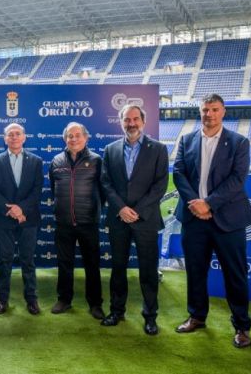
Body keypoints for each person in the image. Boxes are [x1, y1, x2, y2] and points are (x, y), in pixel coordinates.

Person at [173, 93, 251, 348]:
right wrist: (195, 204)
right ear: (200, 111)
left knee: (235, 274)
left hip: (228, 220)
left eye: (214, 109)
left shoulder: (239, 141)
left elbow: (237, 180)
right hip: (193, 217)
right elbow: (178, 172)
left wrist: (208, 203)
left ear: (223, 112)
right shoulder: (187, 139)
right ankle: (197, 316)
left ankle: (241, 326)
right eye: (205, 109)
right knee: (196, 271)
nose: (209, 114)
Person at [100, 105, 169, 335]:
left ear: (143, 120)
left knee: (148, 270)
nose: (131, 123)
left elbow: (160, 185)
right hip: (119, 219)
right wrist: (121, 208)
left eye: (135, 119)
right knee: (118, 268)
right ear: (121, 122)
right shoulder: (110, 150)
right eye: (126, 119)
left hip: (145, 219)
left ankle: (150, 316)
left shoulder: (158, 149)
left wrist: (136, 210)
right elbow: (106, 183)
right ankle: (117, 311)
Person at [48, 122, 104, 319]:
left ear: (86, 138)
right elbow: (54, 188)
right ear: (65, 139)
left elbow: (103, 191)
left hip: (88, 223)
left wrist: (92, 211)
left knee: (92, 264)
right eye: (70, 136)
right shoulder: (56, 160)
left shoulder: (97, 160)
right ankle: (64, 300)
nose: (73, 139)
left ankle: (95, 303)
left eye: (77, 135)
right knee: (64, 263)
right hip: (63, 223)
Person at [0, 123, 43, 315]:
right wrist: (12, 210)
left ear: (24, 137)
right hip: (4, 219)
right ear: (4, 139)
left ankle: (32, 299)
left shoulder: (36, 161)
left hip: (28, 218)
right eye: (9, 134)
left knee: (28, 260)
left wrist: (21, 209)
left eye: (17, 134)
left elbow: (37, 191)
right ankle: (2, 299)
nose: (13, 137)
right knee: (5, 260)